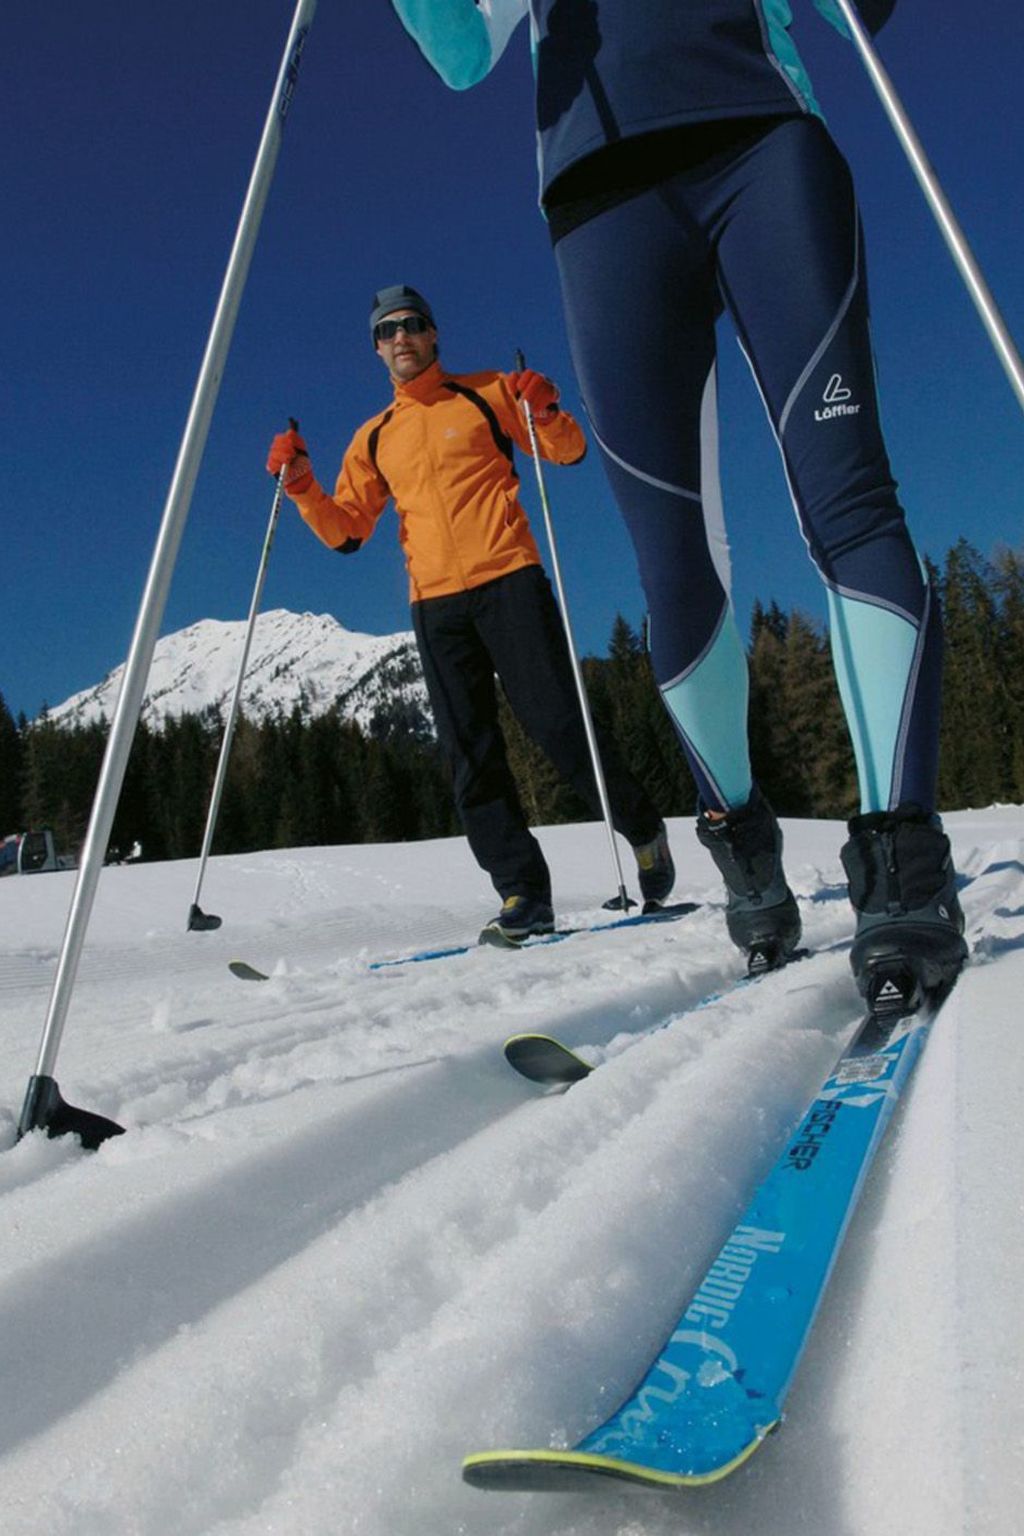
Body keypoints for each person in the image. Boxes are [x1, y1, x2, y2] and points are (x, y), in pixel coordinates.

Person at [388, 1, 968, 1009]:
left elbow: (857, 14)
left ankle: (901, 861)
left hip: (760, 142)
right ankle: (738, 834)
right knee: (673, 561)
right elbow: (461, 49)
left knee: (850, 499)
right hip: (599, 195)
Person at [266, 284, 674, 943]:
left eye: (413, 325)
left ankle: (643, 828)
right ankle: (523, 893)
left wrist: (544, 408)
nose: (402, 336)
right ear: (376, 348)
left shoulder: (486, 393)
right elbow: (346, 533)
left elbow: (566, 452)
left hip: (509, 577)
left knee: (557, 725)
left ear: (434, 336)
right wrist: (304, 486)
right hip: (435, 604)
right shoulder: (374, 438)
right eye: (388, 330)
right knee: (469, 755)